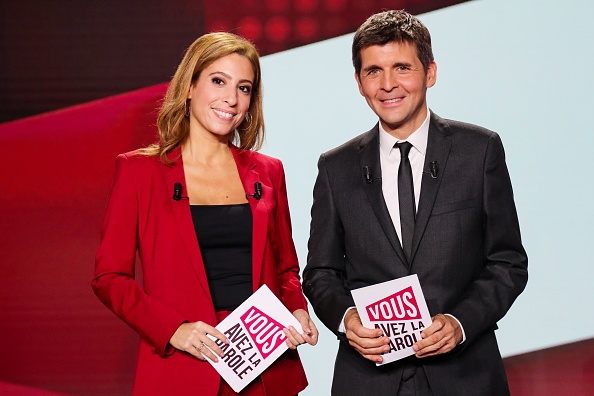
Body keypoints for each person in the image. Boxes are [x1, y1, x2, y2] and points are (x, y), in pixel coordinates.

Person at [303, 10, 527, 396]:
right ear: (358, 82)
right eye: (373, 71)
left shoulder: (479, 151)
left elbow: (507, 262)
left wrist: (460, 322)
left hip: (465, 377)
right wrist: (346, 318)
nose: (388, 85)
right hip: (368, 381)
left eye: (402, 67)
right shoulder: (335, 168)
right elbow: (320, 273)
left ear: (430, 72)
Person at [92, 32, 318, 396]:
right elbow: (109, 277)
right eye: (218, 81)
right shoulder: (139, 172)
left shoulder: (269, 171)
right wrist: (174, 329)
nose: (231, 98)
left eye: (244, 88)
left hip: (264, 365)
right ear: (189, 87)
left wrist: (296, 310)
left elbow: (285, 268)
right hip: (185, 366)